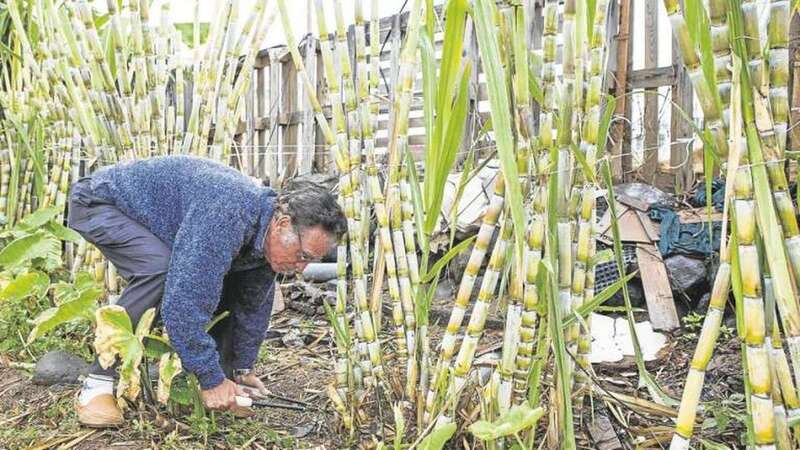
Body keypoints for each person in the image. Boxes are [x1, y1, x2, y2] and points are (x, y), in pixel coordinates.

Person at [67, 155, 346, 427]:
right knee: (160, 271)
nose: (300, 267)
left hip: (155, 220)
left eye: (310, 261)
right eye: (302, 255)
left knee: (226, 283)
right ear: (282, 224)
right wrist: (209, 378)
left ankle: (215, 388)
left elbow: (250, 307)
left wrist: (241, 370)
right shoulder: (227, 213)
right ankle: (96, 386)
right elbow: (184, 303)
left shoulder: (266, 234)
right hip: (101, 202)